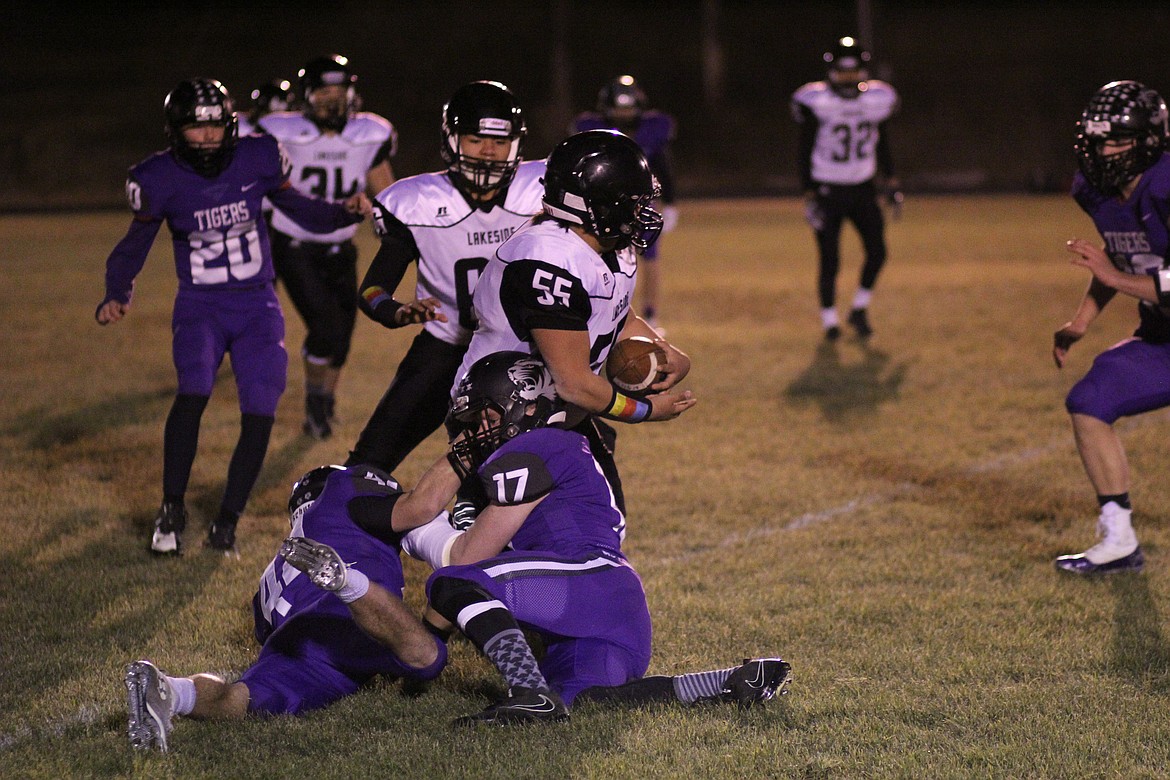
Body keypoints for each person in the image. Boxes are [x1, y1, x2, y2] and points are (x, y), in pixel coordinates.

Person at [290, 352, 790, 724]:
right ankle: (728, 682)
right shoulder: (551, 445)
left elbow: (466, 557)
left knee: (453, 581)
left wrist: (414, 529)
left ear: (517, 405)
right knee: (589, 702)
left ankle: (528, 689)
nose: (478, 432)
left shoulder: (539, 444)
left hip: (588, 583)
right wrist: (424, 650)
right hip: (610, 612)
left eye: (485, 417)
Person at [95, 78, 369, 554]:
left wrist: (343, 212)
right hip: (200, 305)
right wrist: (118, 291)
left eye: (214, 127)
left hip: (257, 304)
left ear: (230, 125)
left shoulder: (257, 156)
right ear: (175, 131)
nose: (206, 138)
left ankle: (228, 520)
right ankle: (172, 509)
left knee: (260, 408)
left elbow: (301, 209)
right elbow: (134, 242)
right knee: (194, 391)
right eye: (194, 129)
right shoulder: (156, 178)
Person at [124, 454, 463, 752]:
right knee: (428, 657)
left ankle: (171, 690)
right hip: (345, 617)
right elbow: (416, 511)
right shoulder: (343, 491)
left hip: (299, 643)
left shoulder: (272, 573)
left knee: (242, 698)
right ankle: (348, 583)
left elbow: (264, 629)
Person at [453, 128, 697, 515]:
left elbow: (615, 315)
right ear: (598, 206)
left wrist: (669, 355)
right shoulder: (547, 260)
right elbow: (575, 383)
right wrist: (647, 411)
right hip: (505, 418)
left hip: (555, 414)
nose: (642, 213)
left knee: (602, 518)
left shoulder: (603, 245)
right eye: (632, 203)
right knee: (515, 544)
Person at [345, 80, 545, 473]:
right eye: (475, 139)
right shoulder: (416, 202)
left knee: (534, 461)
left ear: (516, 145)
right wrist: (398, 311)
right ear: (452, 140)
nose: (488, 151)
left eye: (499, 141)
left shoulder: (540, 191)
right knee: (370, 460)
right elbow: (371, 289)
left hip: (523, 352)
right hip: (446, 347)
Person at [1052, 80, 1170, 575]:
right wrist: (1081, 322)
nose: (1104, 151)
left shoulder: (1166, 184)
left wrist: (1113, 276)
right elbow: (1121, 259)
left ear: (1147, 140)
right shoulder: (1095, 190)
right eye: (1097, 140)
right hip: (1164, 339)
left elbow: (1117, 271)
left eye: (1116, 141)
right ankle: (1119, 541)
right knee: (1091, 400)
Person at [259, 54, 398, 439]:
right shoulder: (281, 131)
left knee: (343, 335)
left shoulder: (368, 134)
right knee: (325, 326)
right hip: (295, 245)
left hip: (342, 247)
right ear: (307, 98)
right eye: (324, 93)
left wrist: (389, 222)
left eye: (339, 92)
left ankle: (325, 400)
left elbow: (385, 192)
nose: (333, 101)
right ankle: (314, 403)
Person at [791, 36, 900, 341]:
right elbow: (804, 149)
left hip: (863, 187)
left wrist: (891, 181)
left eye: (853, 73)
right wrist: (809, 191)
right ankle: (830, 321)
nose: (848, 79)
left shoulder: (876, 100)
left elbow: (884, 141)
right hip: (828, 188)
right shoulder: (817, 102)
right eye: (843, 72)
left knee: (877, 251)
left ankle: (859, 309)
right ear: (831, 72)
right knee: (829, 257)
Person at [573, 75, 678, 332]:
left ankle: (650, 316)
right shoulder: (591, 128)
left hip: (640, 205)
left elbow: (664, 167)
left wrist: (671, 202)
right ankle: (598, 313)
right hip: (600, 205)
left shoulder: (654, 129)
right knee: (598, 258)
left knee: (650, 257)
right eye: (618, 108)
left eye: (628, 108)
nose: (623, 114)